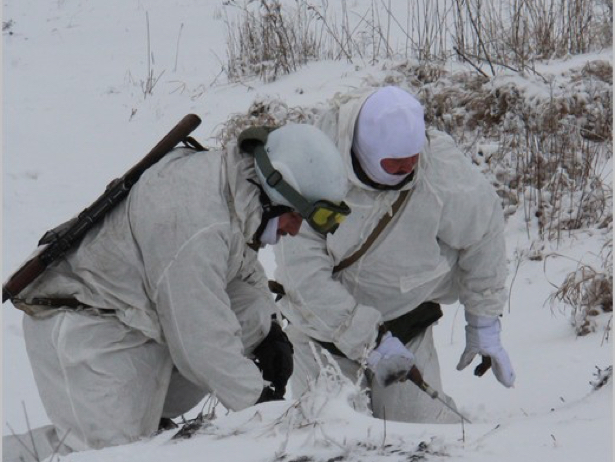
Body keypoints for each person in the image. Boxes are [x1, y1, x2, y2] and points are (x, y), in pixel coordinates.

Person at [3, 123, 351, 460]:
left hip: (138, 319)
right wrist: (263, 408)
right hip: (85, 323)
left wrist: (270, 332)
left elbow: (240, 272)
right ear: (276, 191)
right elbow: (201, 340)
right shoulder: (197, 221)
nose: (295, 230)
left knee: (249, 315)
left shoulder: (234, 190)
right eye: (296, 217)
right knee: (111, 455)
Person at [273, 86, 515, 424]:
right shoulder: (312, 168)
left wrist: (484, 322)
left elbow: (483, 232)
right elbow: (302, 280)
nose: (407, 167)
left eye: (412, 158)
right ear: (365, 151)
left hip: (405, 322)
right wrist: (370, 341)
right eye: (394, 162)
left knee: (425, 432)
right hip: (321, 333)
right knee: (336, 436)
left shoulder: (438, 167)